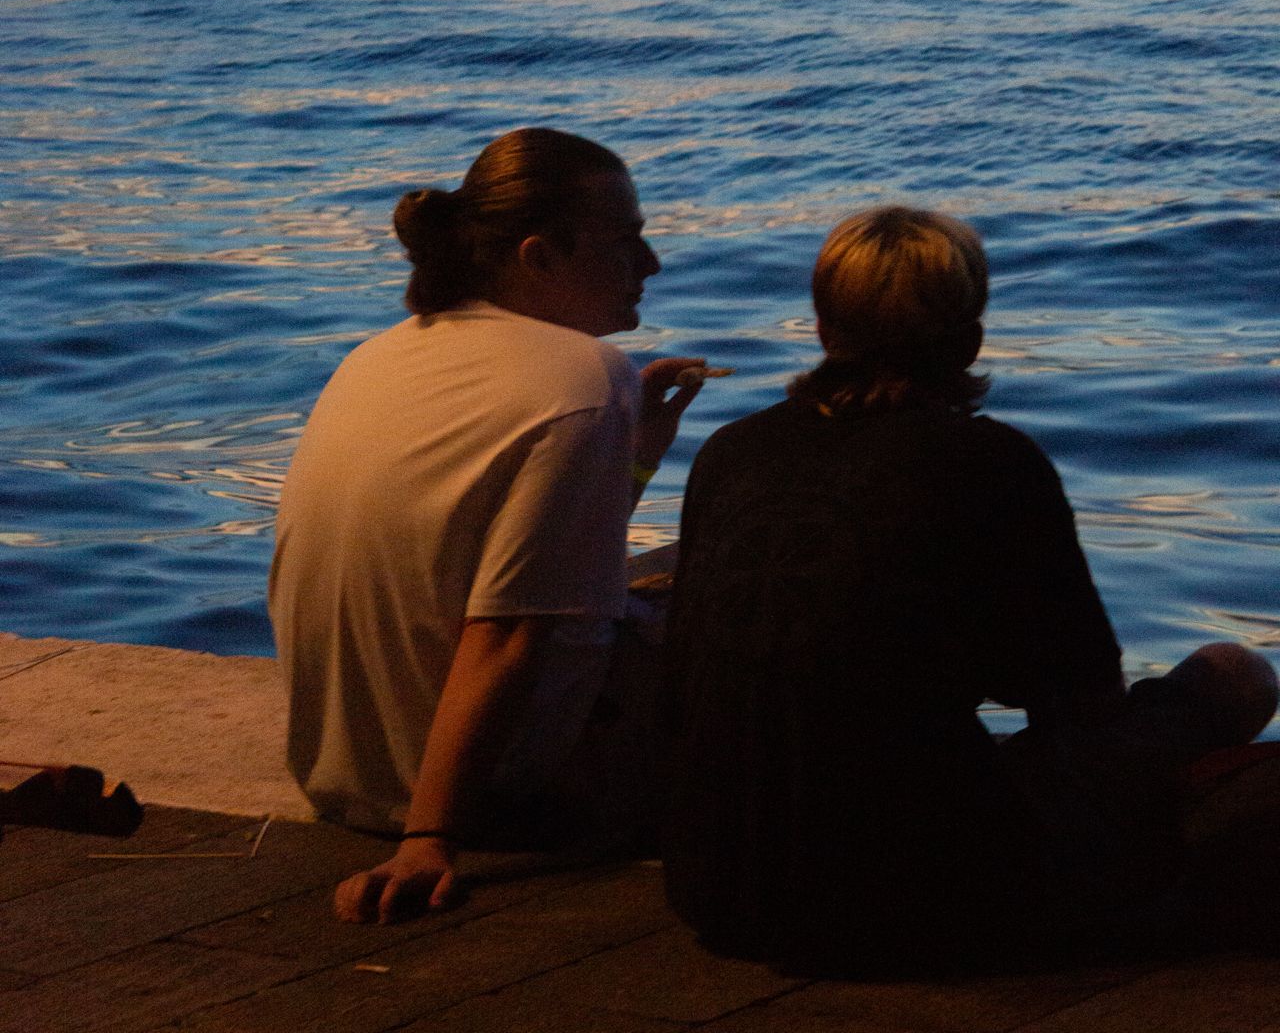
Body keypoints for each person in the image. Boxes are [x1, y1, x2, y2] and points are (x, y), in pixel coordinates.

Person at [662, 206, 1277, 974]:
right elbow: (1082, 696)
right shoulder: (990, 462)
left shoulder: (728, 452)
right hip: (922, 899)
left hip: (718, 888)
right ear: (970, 340)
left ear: (822, 328)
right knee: (1234, 675)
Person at [269, 127, 705, 923]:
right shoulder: (584, 374)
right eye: (626, 240)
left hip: (342, 779)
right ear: (539, 257)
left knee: (659, 573)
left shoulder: (377, 355)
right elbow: (506, 630)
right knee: (743, 580)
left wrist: (637, 454)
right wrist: (430, 839)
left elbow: (528, 564)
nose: (651, 264)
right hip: (506, 795)